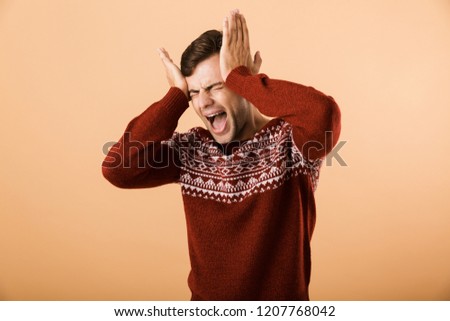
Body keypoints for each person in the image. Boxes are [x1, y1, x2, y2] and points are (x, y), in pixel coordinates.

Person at [102, 9, 341, 300]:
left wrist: (243, 79)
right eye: (193, 93)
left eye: (217, 85)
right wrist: (175, 97)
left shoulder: (291, 141)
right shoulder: (191, 150)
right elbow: (117, 168)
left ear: (244, 80)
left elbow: (324, 114)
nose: (203, 102)